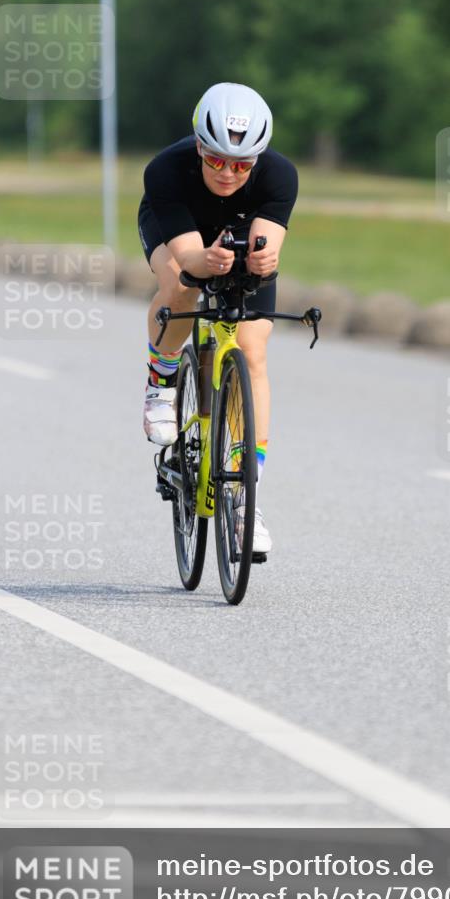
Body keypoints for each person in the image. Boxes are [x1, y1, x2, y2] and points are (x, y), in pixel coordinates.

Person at [138, 83, 298, 554]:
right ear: (200, 148)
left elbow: (268, 242)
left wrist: (263, 263)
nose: (229, 173)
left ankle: (246, 497)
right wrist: (205, 261)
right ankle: (160, 381)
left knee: (251, 353)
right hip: (179, 229)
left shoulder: (279, 175)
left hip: (241, 237)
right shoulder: (167, 170)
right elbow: (190, 258)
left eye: (242, 165)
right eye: (217, 161)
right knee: (182, 287)